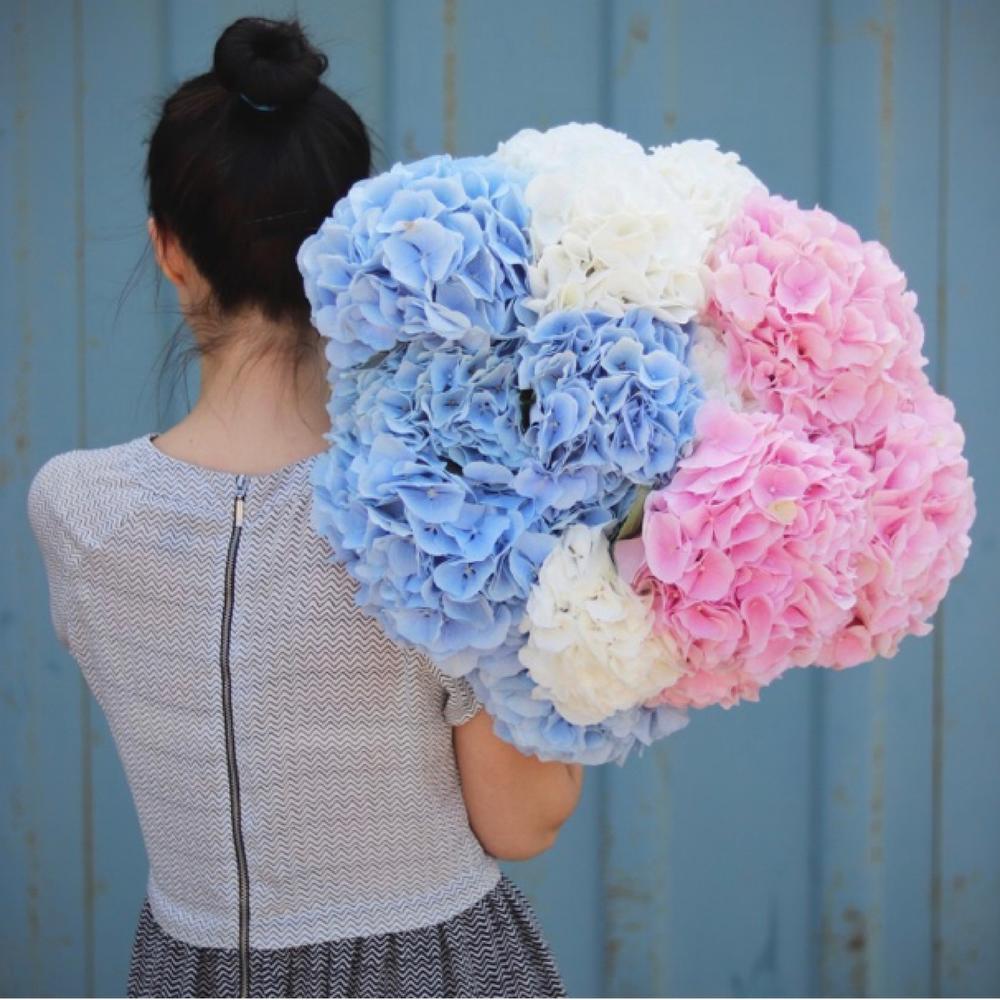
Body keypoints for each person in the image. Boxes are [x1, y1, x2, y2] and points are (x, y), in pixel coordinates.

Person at [26, 15, 581, 998]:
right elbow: (522, 819)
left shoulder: (80, 512)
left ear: (168, 249)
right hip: (433, 971)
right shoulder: (433, 506)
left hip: (190, 975)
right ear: (354, 245)